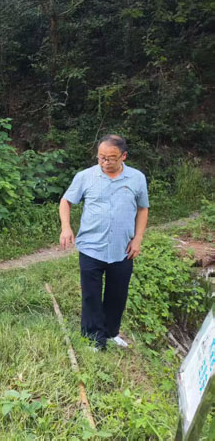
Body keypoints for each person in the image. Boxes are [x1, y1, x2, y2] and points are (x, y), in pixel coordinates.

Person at [59, 135, 149, 350]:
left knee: (117, 294)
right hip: (91, 247)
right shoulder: (85, 176)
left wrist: (138, 239)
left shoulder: (136, 178)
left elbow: (142, 208)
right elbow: (66, 201)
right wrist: (66, 227)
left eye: (111, 158)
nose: (105, 162)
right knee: (91, 295)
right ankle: (93, 338)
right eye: (101, 157)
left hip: (123, 248)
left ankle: (110, 333)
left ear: (123, 156)